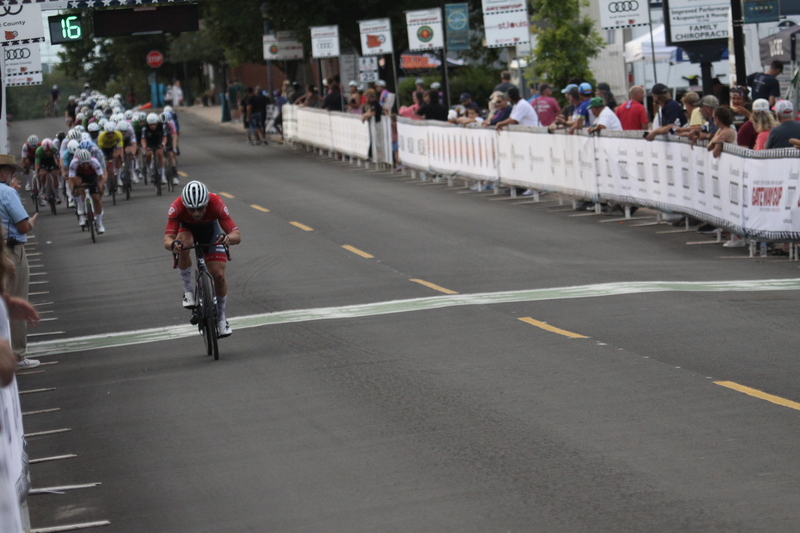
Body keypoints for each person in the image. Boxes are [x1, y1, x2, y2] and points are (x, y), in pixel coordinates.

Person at [164, 181, 241, 337]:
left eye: (200, 208)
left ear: (207, 203)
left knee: (218, 275)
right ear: (185, 206)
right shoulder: (177, 206)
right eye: (192, 210)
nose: (197, 213)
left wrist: (227, 238)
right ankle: (188, 290)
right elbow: (167, 239)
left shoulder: (216, 203)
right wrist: (173, 244)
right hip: (187, 230)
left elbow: (236, 235)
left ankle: (221, 318)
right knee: (184, 244)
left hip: (210, 230)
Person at [0, 155, 40, 369]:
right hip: (10, 250)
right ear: (4, 172)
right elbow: (23, 226)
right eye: (11, 172)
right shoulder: (7, 193)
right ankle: (16, 355)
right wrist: (32, 220)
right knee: (14, 300)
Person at [69, 149, 106, 233]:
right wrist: (73, 189)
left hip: (92, 177)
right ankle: (81, 207)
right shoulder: (74, 163)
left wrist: (99, 187)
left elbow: (101, 178)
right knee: (78, 185)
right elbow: (71, 179)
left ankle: (99, 223)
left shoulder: (94, 162)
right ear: (79, 161)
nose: (85, 165)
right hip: (80, 176)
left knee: (96, 198)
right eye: (83, 164)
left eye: (87, 163)